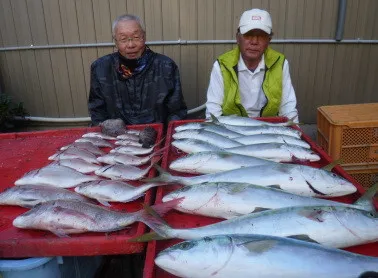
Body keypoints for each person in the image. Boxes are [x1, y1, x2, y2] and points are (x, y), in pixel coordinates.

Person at [88, 14, 187, 126]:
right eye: (123, 39)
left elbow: (177, 112)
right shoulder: (100, 67)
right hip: (117, 136)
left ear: (144, 37)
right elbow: (97, 112)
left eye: (136, 37)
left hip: (157, 135)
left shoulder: (166, 66)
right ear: (115, 41)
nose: (130, 45)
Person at [205, 8, 299, 122]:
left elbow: (287, 106)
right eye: (248, 35)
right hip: (232, 127)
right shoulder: (222, 65)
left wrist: (294, 130)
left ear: (269, 40)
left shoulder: (280, 63)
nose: (254, 41)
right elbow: (213, 109)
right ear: (238, 38)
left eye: (262, 35)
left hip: (268, 126)